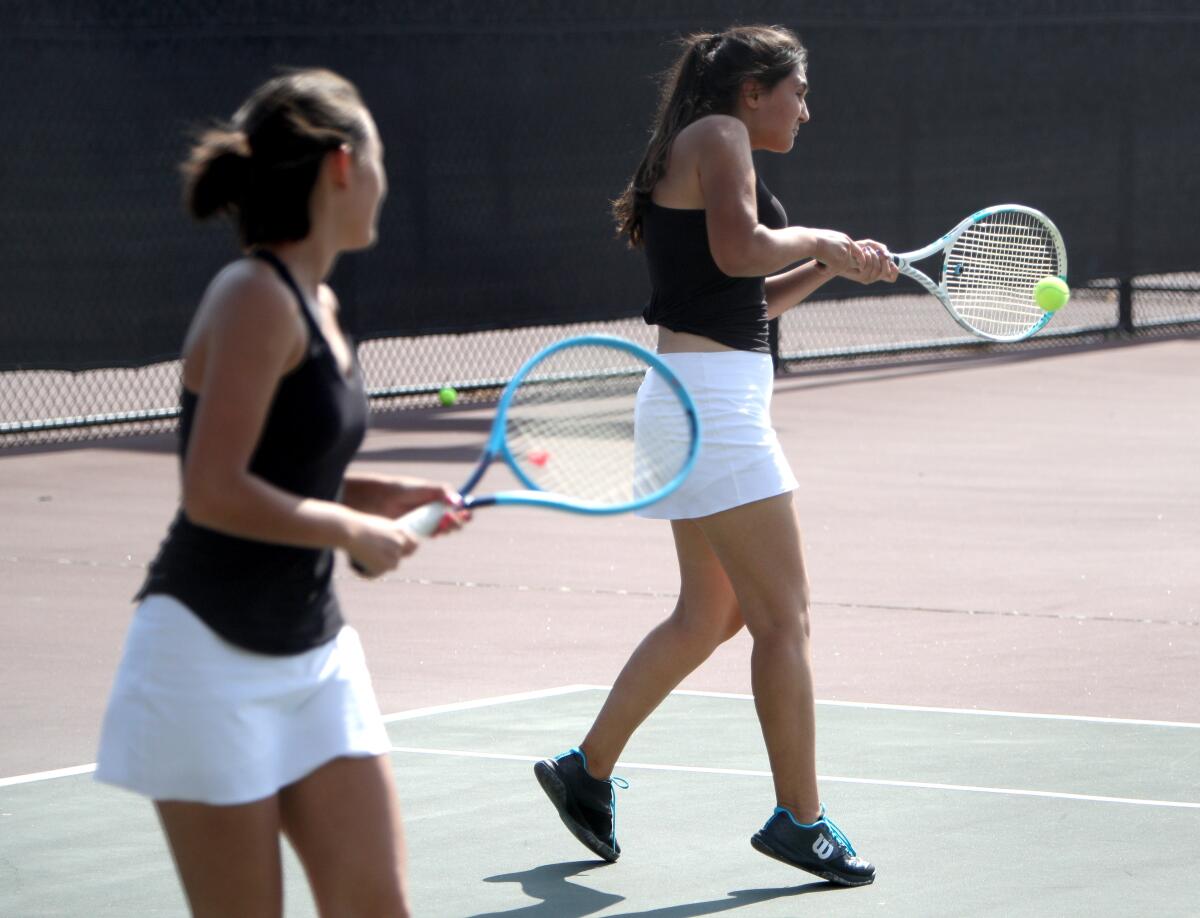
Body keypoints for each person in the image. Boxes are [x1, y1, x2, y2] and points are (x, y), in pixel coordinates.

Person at [95, 69, 466, 917]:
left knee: (378, 905)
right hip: (204, 655)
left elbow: (287, 468)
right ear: (342, 164)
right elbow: (214, 491)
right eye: (378, 154)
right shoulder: (253, 294)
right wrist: (348, 531)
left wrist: (377, 495)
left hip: (314, 655)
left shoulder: (319, 301)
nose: (384, 177)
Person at [533, 26, 897, 886]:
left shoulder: (703, 144)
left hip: (690, 396)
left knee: (711, 614)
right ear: (752, 93)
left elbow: (743, 293)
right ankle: (801, 821)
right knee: (786, 621)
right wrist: (815, 236)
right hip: (713, 410)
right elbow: (741, 252)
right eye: (797, 93)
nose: (806, 110)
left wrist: (828, 266)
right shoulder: (720, 138)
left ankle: (586, 772)